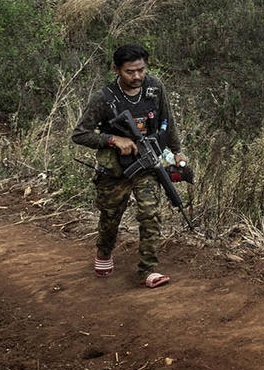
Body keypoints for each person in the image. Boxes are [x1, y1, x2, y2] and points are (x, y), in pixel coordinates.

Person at [71, 43, 185, 288]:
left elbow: (168, 120)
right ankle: (104, 251)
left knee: (150, 214)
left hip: (148, 164)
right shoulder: (104, 98)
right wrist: (113, 140)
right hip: (114, 169)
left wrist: (177, 152)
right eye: (130, 72)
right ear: (116, 70)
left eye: (141, 70)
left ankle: (148, 269)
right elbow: (80, 134)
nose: (137, 77)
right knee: (110, 217)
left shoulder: (155, 88)